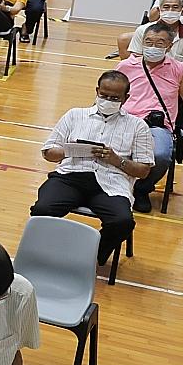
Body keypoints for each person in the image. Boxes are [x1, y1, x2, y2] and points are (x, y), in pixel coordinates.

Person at [30, 71, 154, 272]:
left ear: (126, 98)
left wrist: (117, 160)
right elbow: (48, 152)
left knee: (122, 221)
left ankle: (93, 255)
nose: (108, 100)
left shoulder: (137, 126)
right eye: (104, 95)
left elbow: (143, 171)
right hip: (70, 177)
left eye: (115, 98)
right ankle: (47, 253)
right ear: (97, 91)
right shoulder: (74, 115)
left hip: (111, 184)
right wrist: (69, 150)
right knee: (42, 209)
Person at [117, 24, 183, 212]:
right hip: (125, 121)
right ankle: (115, 186)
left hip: (157, 127)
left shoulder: (180, 70)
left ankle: (141, 189)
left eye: (159, 43)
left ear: (169, 46)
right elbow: (110, 95)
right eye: (148, 42)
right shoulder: (125, 66)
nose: (153, 47)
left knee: (160, 155)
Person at [117, 0, 183, 70]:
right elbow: (135, 61)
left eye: (175, 7)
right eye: (166, 7)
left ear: (182, 10)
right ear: (159, 10)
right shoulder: (142, 30)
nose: (170, 11)